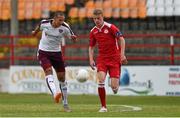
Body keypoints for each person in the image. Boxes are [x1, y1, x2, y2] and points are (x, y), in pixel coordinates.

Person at [32, 11, 77, 112]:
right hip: (43, 52)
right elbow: (38, 28)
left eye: (63, 20)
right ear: (54, 19)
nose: (61, 22)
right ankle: (55, 93)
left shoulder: (65, 27)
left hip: (57, 53)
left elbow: (72, 37)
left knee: (62, 78)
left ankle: (65, 104)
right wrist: (34, 33)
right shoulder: (45, 23)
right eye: (59, 20)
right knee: (48, 71)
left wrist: (74, 39)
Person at [89, 9, 128, 112]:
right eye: (95, 19)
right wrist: (91, 59)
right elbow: (91, 47)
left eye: (98, 18)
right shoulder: (93, 31)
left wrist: (122, 55)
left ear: (103, 18)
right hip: (102, 59)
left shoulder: (111, 27)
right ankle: (103, 107)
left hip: (115, 59)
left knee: (114, 87)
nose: (97, 20)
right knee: (101, 80)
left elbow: (122, 39)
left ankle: (115, 86)